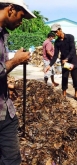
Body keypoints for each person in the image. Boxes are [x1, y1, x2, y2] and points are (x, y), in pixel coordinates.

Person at [0, 0, 35, 164]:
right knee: (11, 159)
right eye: (21, 17)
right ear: (11, 9)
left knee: (10, 157)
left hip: (4, 108)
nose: (21, 23)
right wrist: (15, 61)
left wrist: (5, 84)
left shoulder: (2, 34)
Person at [45, 24, 77, 102]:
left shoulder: (70, 37)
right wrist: (49, 65)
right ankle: (64, 95)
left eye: (56, 31)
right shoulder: (57, 42)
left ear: (60, 29)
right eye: (53, 32)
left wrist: (67, 58)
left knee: (75, 79)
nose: (55, 33)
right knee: (64, 78)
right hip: (65, 63)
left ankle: (76, 95)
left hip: (73, 61)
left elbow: (73, 50)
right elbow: (55, 55)